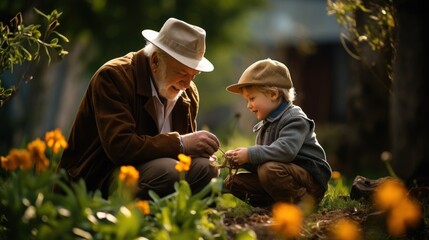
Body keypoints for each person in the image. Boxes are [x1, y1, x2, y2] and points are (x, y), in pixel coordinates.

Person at [56, 17, 220, 199]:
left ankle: (180, 219)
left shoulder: (188, 91)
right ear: (156, 60)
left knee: (207, 168)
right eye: (182, 73)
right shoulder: (113, 77)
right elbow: (121, 148)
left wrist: (200, 150)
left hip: (155, 172)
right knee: (168, 171)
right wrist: (180, 143)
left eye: (193, 75)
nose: (187, 83)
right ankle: (136, 221)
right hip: (100, 177)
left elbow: (185, 155)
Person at [223, 58, 332, 207]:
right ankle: (276, 206)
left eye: (252, 98)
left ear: (273, 94)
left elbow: (286, 152)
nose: (248, 105)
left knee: (269, 170)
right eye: (246, 100)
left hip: (309, 181)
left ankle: (304, 205)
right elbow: (266, 160)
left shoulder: (294, 119)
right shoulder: (268, 123)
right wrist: (243, 160)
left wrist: (250, 154)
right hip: (282, 174)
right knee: (233, 182)